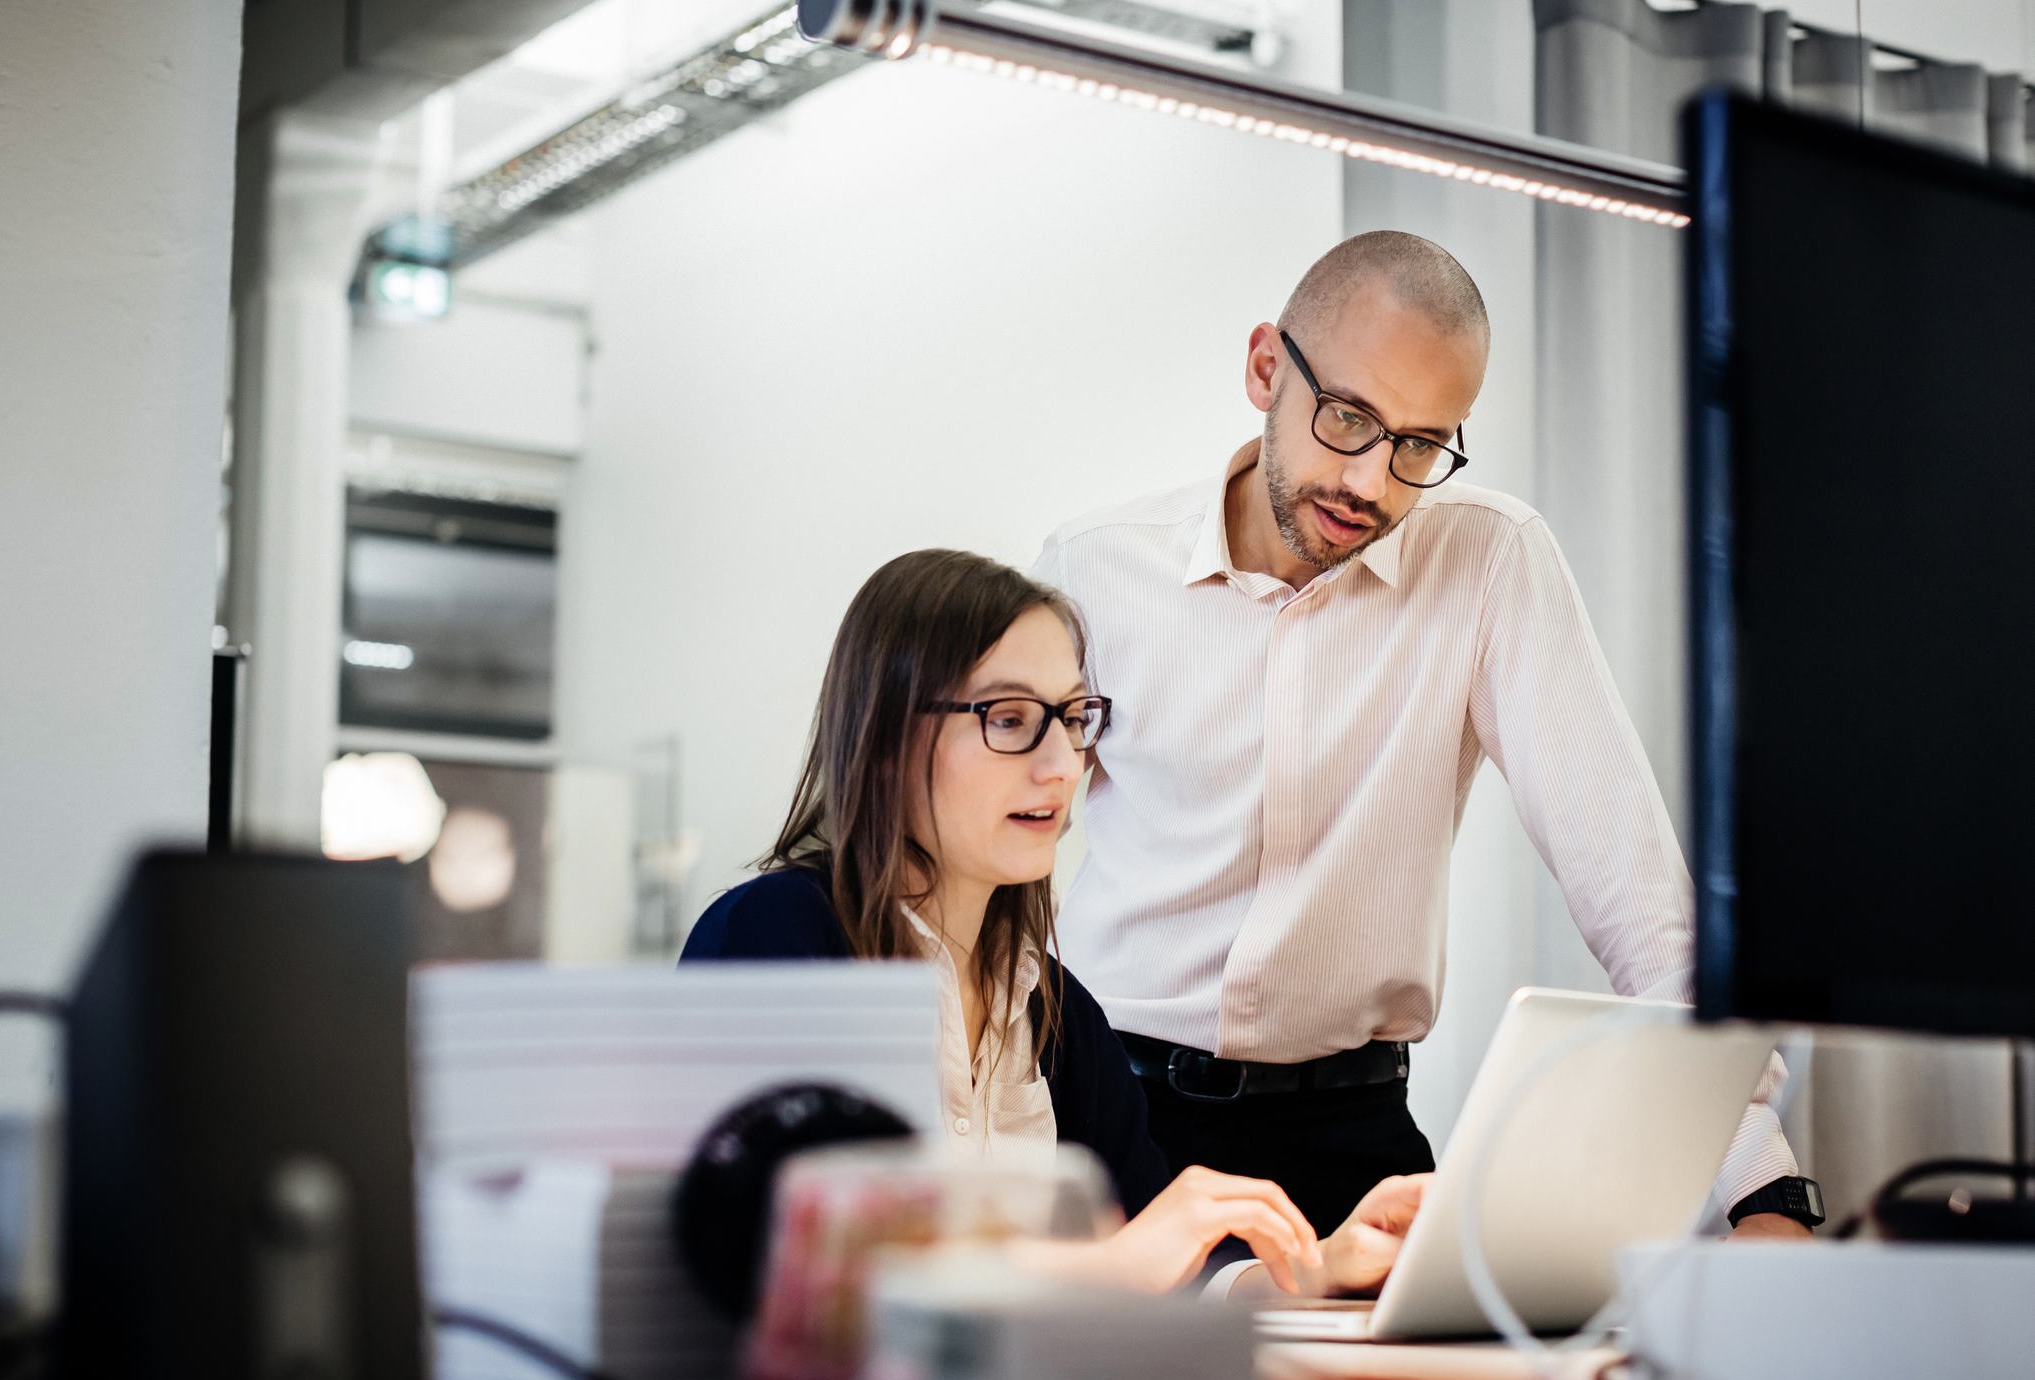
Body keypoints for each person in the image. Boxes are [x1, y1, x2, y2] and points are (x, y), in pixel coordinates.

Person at [1032, 230, 1816, 1255]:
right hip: (1107, 1116)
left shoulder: (1491, 562)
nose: (1370, 481)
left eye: (1417, 445)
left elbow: (1641, 903)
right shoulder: (1096, 569)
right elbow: (982, 861)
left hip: (1349, 1140)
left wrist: (1762, 1187)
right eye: (1347, 416)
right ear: (1268, 366)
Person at [681, 548, 1427, 1298]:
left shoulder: (1060, 1012)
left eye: (1073, 719)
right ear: (883, 737)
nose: (1064, 765)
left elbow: (1155, 1275)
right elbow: (783, 1259)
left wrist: (1317, 1266)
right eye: (1008, 719)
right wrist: (1110, 1265)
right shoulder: (774, 937)